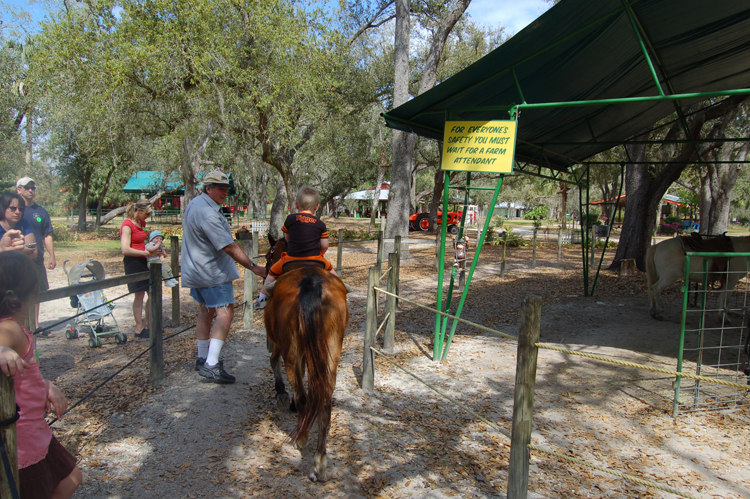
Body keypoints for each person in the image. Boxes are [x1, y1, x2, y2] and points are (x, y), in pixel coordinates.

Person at [0, 251, 82, 499]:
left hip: (34, 431)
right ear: (29, 293)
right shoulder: (9, 328)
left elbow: (24, 377)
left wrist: (45, 384)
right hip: (21, 440)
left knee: (70, 478)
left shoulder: (17, 328)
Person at [181, 170, 267, 384]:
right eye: (220, 188)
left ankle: (202, 358)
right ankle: (211, 364)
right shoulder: (208, 213)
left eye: (226, 189)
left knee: (206, 311)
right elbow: (228, 246)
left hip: (196, 268)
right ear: (207, 188)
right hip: (211, 272)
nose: (224, 193)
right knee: (225, 313)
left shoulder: (196, 204)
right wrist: (254, 267)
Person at [255, 185, 347, 310]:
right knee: (331, 271)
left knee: (272, 271)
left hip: (291, 259)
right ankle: (342, 288)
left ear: (296, 205)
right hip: (315, 259)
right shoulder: (320, 224)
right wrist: (320, 254)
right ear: (317, 207)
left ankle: (262, 297)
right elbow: (325, 245)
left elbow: (287, 239)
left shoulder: (290, 219)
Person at [17, 177, 56, 330]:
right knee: (19, 293)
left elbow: (47, 235)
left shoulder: (41, 211)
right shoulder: (15, 210)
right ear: (19, 189)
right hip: (17, 260)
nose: (31, 190)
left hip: (37, 259)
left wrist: (52, 255)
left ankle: (35, 326)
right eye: (27, 187)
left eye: (33, 187)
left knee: (37, 292)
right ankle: (20, 326)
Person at [120, 199, 159, 339]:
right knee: (139, 294)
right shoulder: (127, 226)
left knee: (152, 291)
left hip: (144, 260)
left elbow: (143, 241)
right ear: (139, 211)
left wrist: (154, 248)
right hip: (133, 262)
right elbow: (125, 249)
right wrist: (145, 253)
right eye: (146, 214)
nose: (147, 217)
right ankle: (139, 327)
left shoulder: (141, 223)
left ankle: (149, 324)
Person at [0, 191, 37, 261]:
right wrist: (20, 252)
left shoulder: (24, 223)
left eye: (21, 209)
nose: (17, 212)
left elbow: (34, 254)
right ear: (2, 208)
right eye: (13, 208)